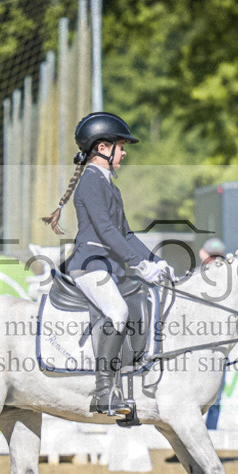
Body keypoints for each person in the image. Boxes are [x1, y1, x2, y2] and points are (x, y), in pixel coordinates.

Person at [42, 112, 174, 416]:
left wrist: (155, 261)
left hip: (107, 265)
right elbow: (106, 231)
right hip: (89, 264)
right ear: (103, 148)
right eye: (120, 146)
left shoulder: (109, 184)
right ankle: (104, 392)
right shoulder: (90, 181)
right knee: (117, 311)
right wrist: (138, 265)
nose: (125, 152)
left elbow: (125, 232)